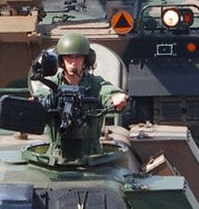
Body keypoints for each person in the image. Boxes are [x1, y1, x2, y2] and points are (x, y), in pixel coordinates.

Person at [32, 33, 128, 165]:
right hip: (56, 157)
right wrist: (36, 103)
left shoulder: (95, 84)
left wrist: (116, 98)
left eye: (78, 57)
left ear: (86, 60)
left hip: (92, 158)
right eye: (68, 58)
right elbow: (41, 96)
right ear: (61, 61)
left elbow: (107, 91)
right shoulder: (51, 85)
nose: (73, 62)